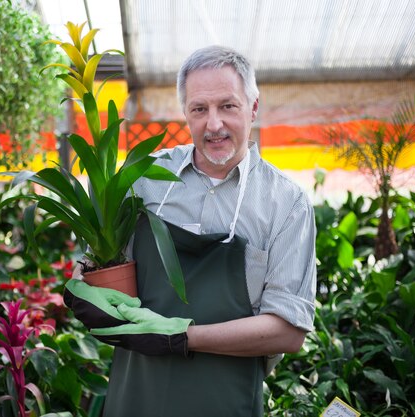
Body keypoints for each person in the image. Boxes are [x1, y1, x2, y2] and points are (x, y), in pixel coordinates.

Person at [63, 45, 317, 417]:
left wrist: (181, 337)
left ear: (254, 107)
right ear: (186, 113)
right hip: (136, 396)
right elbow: (107, 262)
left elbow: (288, 332)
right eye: (199, 109)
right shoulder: (143, 179)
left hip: (226, 401)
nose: (213, 124)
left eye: (227, 106)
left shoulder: (286, 204)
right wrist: (86, 275)